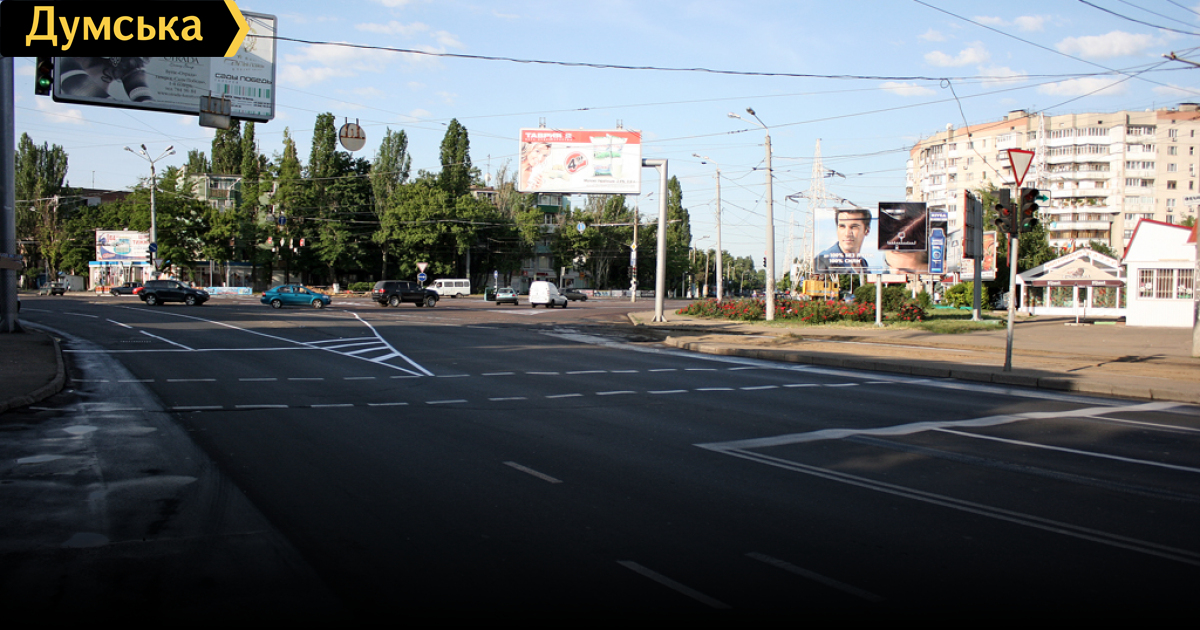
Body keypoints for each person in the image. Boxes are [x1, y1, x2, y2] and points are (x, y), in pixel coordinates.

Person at [816, 209, 871, 273]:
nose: (847, 234)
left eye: (854, 227)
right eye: (842, 226)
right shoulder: (822, 261)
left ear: (867, 230)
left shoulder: (863, 263)